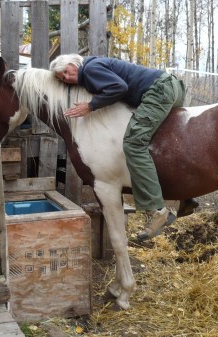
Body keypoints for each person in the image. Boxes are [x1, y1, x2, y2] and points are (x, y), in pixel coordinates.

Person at [50, 54, 189, 241]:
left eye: (66, 71)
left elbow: (119, 87)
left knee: (133, 143)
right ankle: (188, 195)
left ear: (74, 63)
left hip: (158, 90)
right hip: (173, 86)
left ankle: (157, 211)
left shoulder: (90, 69)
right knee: (159, 141)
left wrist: (91, 106)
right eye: (62, 78)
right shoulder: (95, 66)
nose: (66, 77)